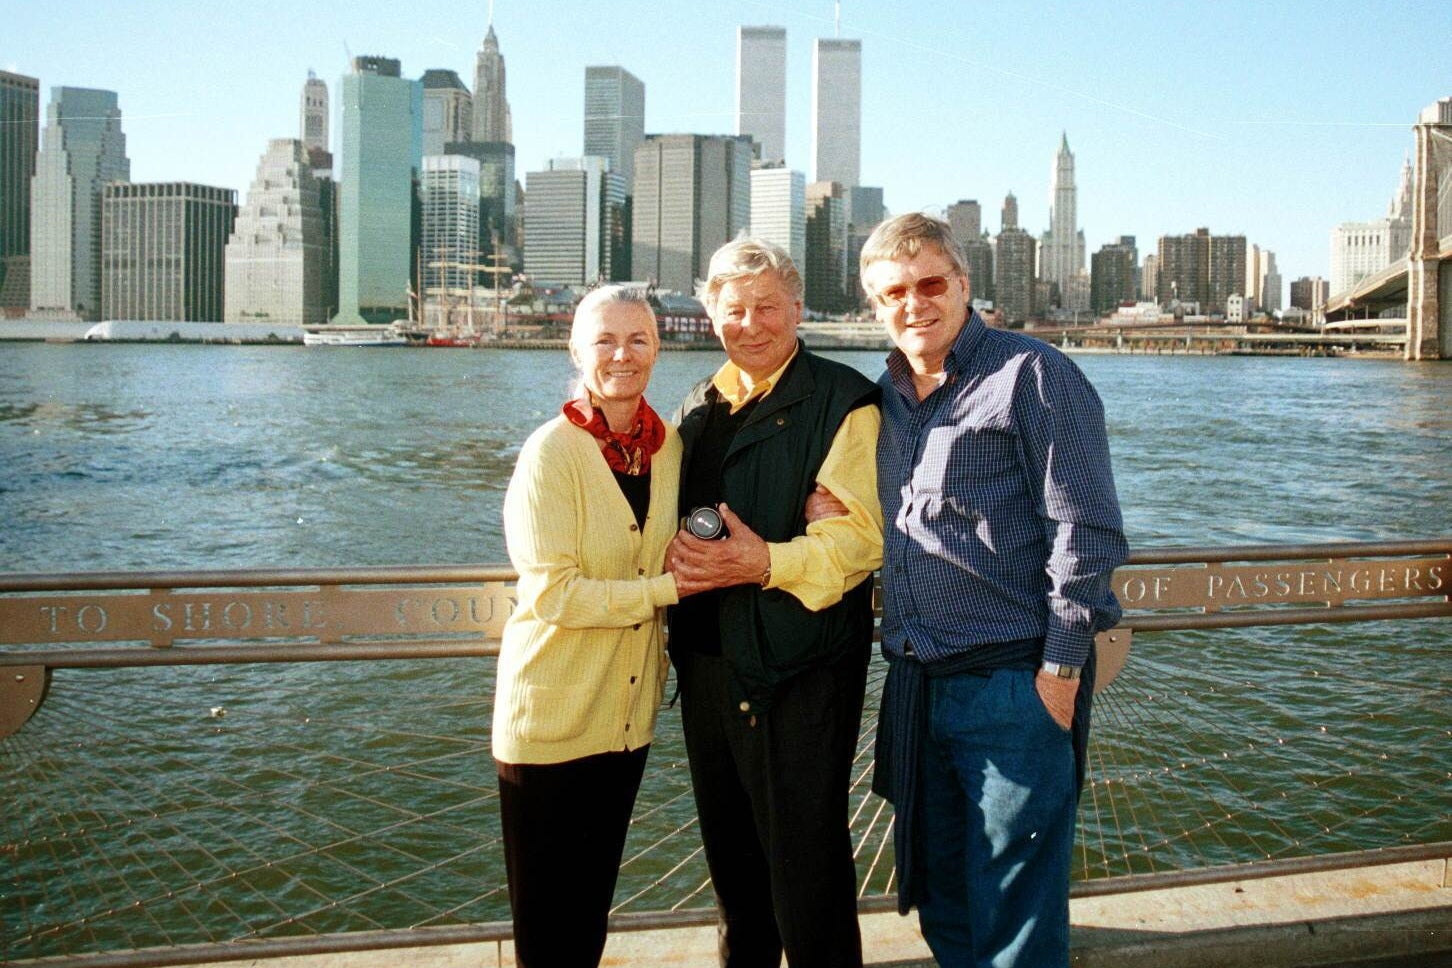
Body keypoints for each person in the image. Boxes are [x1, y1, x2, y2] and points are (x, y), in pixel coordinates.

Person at [859, 213, 1128, 968]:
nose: (913, 304)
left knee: (1015, 914)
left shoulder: (1032, 375)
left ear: (964, 284)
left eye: (929, 284)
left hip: (1012, 686)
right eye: (892, 294)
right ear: (875, 307)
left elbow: (1087, 530)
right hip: (915, 682)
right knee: (938, 893)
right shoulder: (883, 399)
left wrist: (1061, 672)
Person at [665, 238, 884, 968]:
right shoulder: (696, 406)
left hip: (799, 670)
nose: (751, 324)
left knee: (807, 870)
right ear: (710, 315)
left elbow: (858, 546)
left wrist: (762, 560)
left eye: (767, 307)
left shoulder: (845, 402)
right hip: (707, 667)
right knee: (733, 872)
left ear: (798, 308)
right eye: (734, 310)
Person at [492, 285, 685, 968]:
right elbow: (552, 594)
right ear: (576, 352)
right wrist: (666, 590)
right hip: (549, 721)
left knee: (590, 915)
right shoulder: (551, 451)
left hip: (624, 721)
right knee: (547, 932)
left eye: (637, 339)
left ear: (657, 350)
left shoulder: (667, 452)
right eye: (604, 340)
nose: (622, 355)